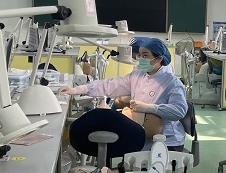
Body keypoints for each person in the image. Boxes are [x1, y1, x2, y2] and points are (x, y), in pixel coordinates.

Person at [59, 38, 187, 151]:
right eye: (139, 55)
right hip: (143, 135)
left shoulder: (172, 82)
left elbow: (179, 110)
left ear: (158, 58)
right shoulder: (137, 76)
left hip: (167, 140)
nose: (140, 59)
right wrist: (78, 90)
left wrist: (151, 108)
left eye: (145, 55)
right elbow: (110, 85)